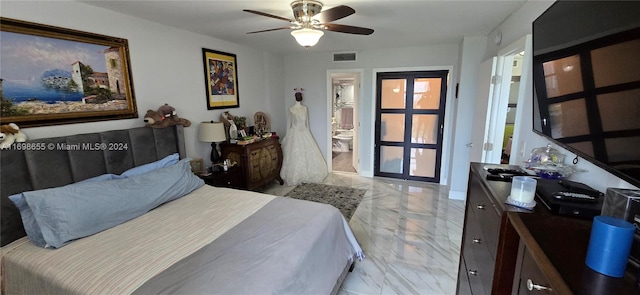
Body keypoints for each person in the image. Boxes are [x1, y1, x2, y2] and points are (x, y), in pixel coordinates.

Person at [280, 88, 328, 186]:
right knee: (294, 154)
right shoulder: (291, 109)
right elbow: (289, 123)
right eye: (297, 95)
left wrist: (308, 133)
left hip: (304, 132)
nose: (299, 97)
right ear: (295, 97)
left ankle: (307, 174)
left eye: (300, 95)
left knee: (308, 153)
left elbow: (307, 124)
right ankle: (296, 175)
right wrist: (287, 135)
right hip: (294, 133)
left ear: (302, 97)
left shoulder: (305, 108)